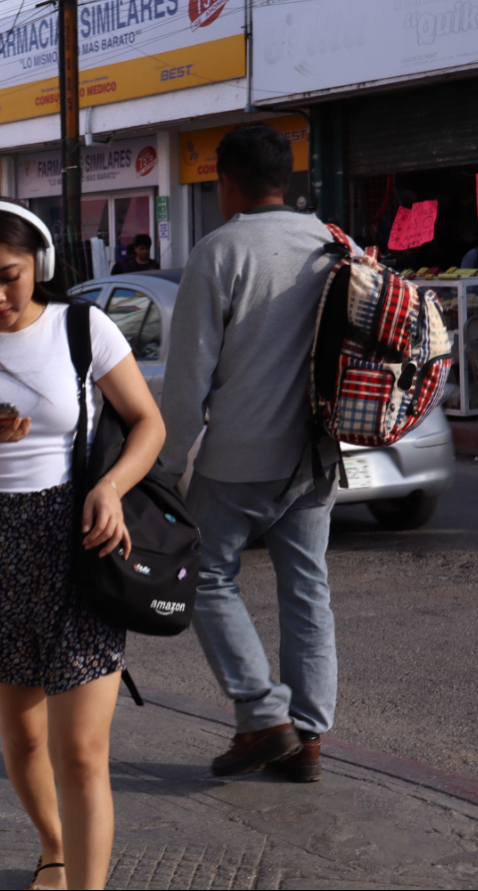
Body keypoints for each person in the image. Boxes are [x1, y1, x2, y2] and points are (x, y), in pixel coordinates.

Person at [0, 199, 165, 890]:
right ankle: (53, 847)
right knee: (23, 738)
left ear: (40, 266)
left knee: (79, 751)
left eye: (9, 275)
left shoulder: (84, 327)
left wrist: (109, 487)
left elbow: (147, 424)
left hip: (79, 541)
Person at [161, 124, 354, 784]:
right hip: (315, 457)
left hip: (239, 460)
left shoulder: (218, 252)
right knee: (307, 588)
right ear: (287, 180)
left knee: (204, 573)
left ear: (227, 183)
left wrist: (161, 471)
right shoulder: (331, 243)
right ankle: (308, 741)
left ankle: (260, 713)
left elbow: (187, 381)